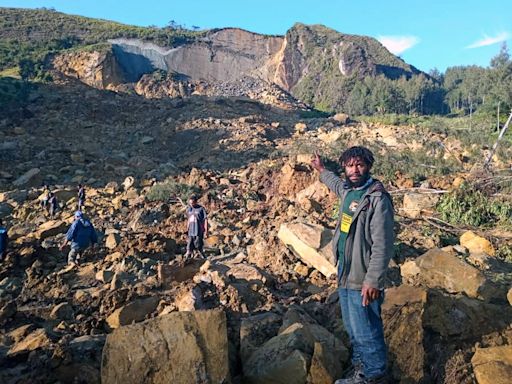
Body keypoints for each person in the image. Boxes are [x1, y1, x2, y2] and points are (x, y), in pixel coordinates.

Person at [311, 146, 394, 384]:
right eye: (350, 165)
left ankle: (374, 375)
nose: (355, 170)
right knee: (353, 329)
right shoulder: (350, 193)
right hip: (346, 273)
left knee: (366, 330)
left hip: (363, 277)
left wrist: (373, 280)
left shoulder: (377, 198)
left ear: (368, 166)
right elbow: (336, 184)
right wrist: (322, 170)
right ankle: (361, 370)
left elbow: (382, 244)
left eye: (359, 165)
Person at [184, 195, 208, 259]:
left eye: (192, 203)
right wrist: (187, 228)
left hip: (199, 230)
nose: (191, 204)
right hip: (191, 231)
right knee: (189, 246)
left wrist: (206, 231)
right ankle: (187, 258)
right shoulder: (189, 209)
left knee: (199, 246)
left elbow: (205, 219)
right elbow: (189, 219)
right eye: (190, 203)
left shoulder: (201, 209)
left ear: (195, 202)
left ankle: (204, 258)